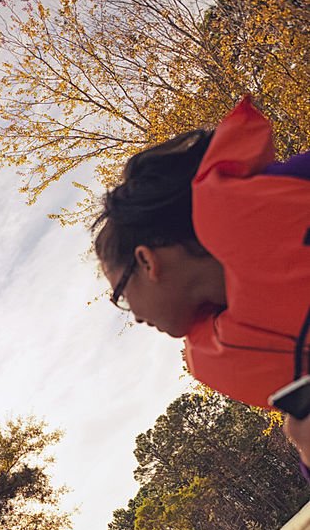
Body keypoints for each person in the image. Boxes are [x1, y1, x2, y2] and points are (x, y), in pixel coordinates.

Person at [93, 96, 310, 472]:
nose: (137, 317)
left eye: (122, 295)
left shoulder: (298, 184)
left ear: (146, 262)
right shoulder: (238, 345)